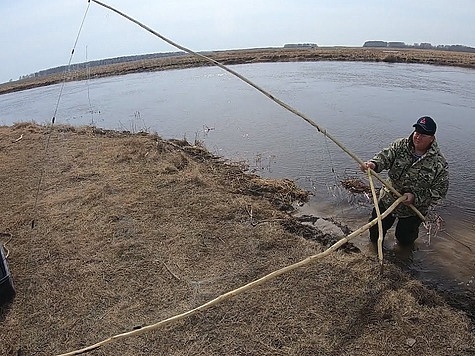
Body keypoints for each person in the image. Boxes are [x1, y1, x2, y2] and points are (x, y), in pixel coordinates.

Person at [360, 116, 449, 246]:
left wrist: (415, 198)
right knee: (375, 233)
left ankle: (401, 261)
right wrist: (373, 164)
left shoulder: (439, 163)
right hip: (387, 200)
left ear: (432, 138)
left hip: (413, 211)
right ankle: (374, 252)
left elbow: (439, 193)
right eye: (416, 132)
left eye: (423, 135)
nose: (418, 137)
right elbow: (385, 157)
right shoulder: (400, 145)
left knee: (405, 240)